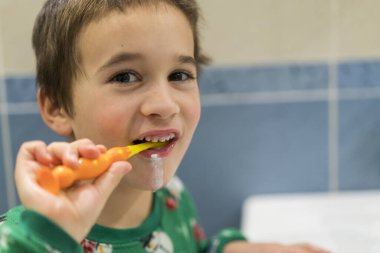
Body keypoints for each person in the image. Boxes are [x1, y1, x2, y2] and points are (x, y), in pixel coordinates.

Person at [0, 0, 330, 252]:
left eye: (179, 75)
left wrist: (228, 248)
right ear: (57, 106)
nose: (165, 104)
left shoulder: (172, 197)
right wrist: (45, 235)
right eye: (125, 77)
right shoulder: (28, 235)